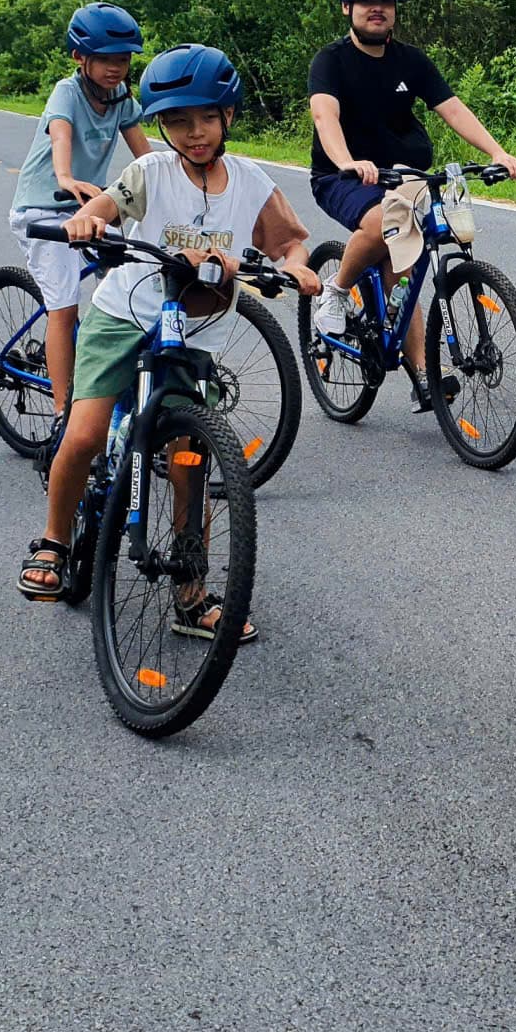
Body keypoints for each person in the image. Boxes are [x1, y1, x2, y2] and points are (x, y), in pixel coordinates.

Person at [17, 45, 320, 633]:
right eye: (178, 121)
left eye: (206, 118)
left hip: (190, 333)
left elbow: (289, 241)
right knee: (85, 433)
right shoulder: (151, 172)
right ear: (161, 126)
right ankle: (53, 540)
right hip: (124, 317)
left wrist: (297, 266)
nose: (194, 133)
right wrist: (89, 220)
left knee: (189, 458)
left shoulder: (252, 183)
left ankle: (191, 591)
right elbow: (107, 206)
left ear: (228, 116)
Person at [307, 0, 516, 407]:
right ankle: (336, 291)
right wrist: (347, 161)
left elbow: (452, 108)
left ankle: (425, 374)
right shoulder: (331, 61)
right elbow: (325, 116)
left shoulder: (411, 61)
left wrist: (497, 152)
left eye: (386, 2)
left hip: (404, 177)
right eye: (365, 1)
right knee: (380, 225)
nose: (377, 8)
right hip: (342, 177)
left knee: (403, 263)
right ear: (347, 7)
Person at [8, 3, 152, 419]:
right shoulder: (66, 92)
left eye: (123, 59)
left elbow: (146, 157)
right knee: (64, 306)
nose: (116, 68)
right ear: (79, 57)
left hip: (91, 209)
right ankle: (62, 414)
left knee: (133, 284)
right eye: (105, 59)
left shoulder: (120, 97)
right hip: (43, 211)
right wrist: (65, 176)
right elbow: (60, 135)